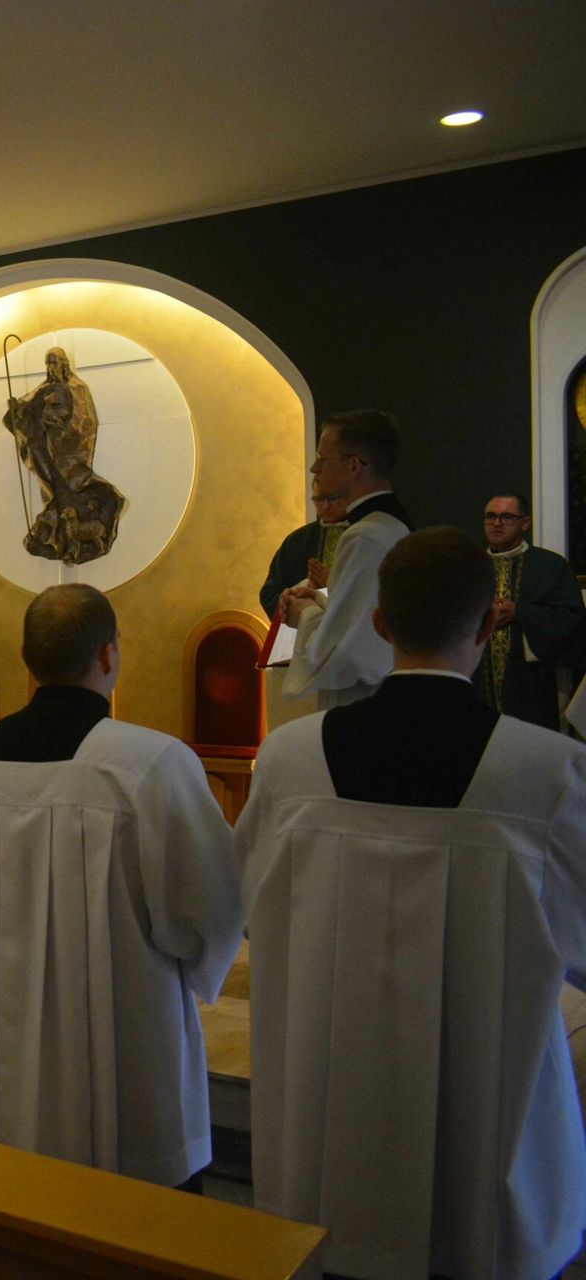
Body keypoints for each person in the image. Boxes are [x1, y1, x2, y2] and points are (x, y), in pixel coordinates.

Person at [237, 527, 586, 1280]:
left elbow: (251, 908)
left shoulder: (290, 760)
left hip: (331, 1122)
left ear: (379, 622)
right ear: (488, 623)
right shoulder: (546, 771)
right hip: (489, 1127)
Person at [0, 584, 242, 1189]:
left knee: (4, 1178)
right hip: (124, 1023)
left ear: (26, 657)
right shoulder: (150, 763)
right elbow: (211, 904)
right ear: (108, 655)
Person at [280, 410, 412, 708]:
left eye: (322, 458)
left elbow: (350, 653)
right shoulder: (389, 525)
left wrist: (305, 615)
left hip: (365, 703)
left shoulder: (366, 536)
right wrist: (319, 599)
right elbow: (365, 620)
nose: (314, 468)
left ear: (353, 466)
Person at [472, 493, 581, 728]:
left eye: (506, 517)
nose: (496, 523)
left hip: (534, 685)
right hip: (479, 679)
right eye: (490, 517)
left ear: (525, 523)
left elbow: (571, 620)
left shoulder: (550, 566)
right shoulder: (470, 567)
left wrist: (519, 613)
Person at [257, 485, 350, 615]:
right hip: (304, 625)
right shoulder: (298, 540)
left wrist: (332, 583)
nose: (326, 506)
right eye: (319, 500)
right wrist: (304, 589)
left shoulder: (362, 536)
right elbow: (270, 595)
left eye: (333, 498)